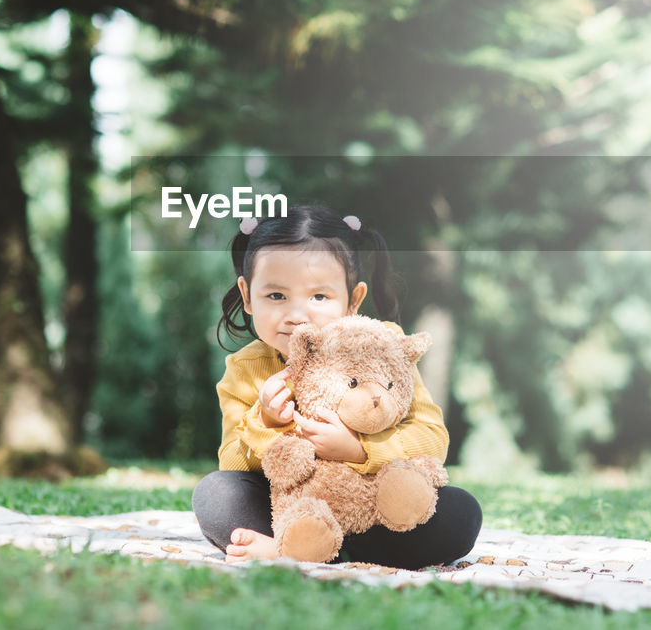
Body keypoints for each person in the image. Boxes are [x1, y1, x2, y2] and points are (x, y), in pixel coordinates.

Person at [191, 204, 482, 570]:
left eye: (318, 297)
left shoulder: (384, 345)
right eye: (276, 296)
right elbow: (232, 461)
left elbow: (432, 437)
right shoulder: (246, 368)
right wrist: (265, 422)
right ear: (248, 296)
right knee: (216, 494)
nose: (297, 314)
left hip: (373, 506)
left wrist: (360, 450)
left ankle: (298, 550)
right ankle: (307, 540)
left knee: (460, 512)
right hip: (292, 507)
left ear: (353, 301)